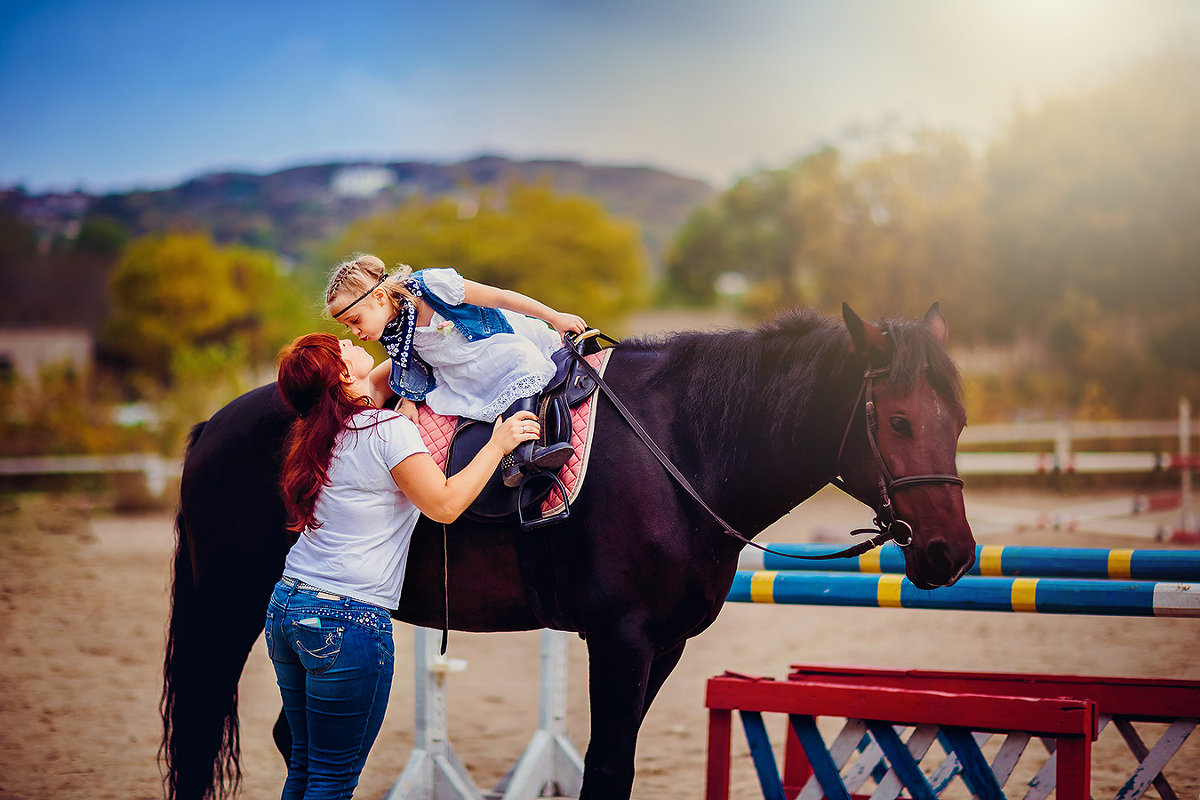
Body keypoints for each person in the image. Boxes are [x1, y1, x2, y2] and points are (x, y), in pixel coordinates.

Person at [265, 332, 539, 799]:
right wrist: (498, 443)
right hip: (345, 622)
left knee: (306, 768)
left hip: (289, 605)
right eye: (342, 345)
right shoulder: (385, 431)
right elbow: (445, 505)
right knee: (332, 780)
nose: (351, 342)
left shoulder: (316, 429)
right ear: (343, 374)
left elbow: (388, 370)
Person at [324, 254, 587, 488]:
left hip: (490, 344)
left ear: (379, 297)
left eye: (355, 321)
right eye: (348, 327)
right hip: (458, 370)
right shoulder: (389, 329)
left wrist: (554, 317)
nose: (356, 333)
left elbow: (501, 297)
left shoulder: (433, 285)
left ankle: (525, 450)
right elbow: (411, 363)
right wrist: (408, 399)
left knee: (521, 359)